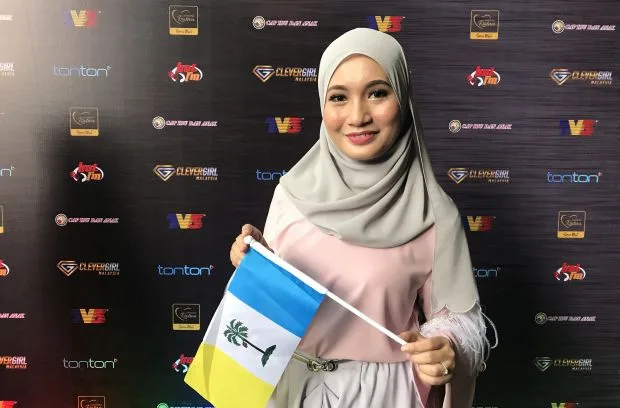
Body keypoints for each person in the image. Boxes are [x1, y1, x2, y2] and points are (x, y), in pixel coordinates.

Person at [229, 27, 495, 408]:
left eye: (377, 93)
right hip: (289, 386)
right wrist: (255, 261)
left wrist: (445, 345)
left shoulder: (435, 215)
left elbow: (459, 320)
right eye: (339, 97)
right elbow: (273, 304)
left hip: (384, 395)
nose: (358, 116)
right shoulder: (290, 194)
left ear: (402, 97)